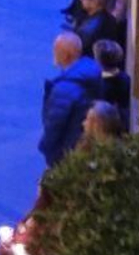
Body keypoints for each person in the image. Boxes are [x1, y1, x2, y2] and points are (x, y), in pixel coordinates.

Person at [39, 31, 101, 167]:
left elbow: (55, 123)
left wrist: (46, 147)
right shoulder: (91, 70)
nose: (54, 53)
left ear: (66, 55)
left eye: (56, 50)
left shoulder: (64, 89)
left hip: (66, 149)